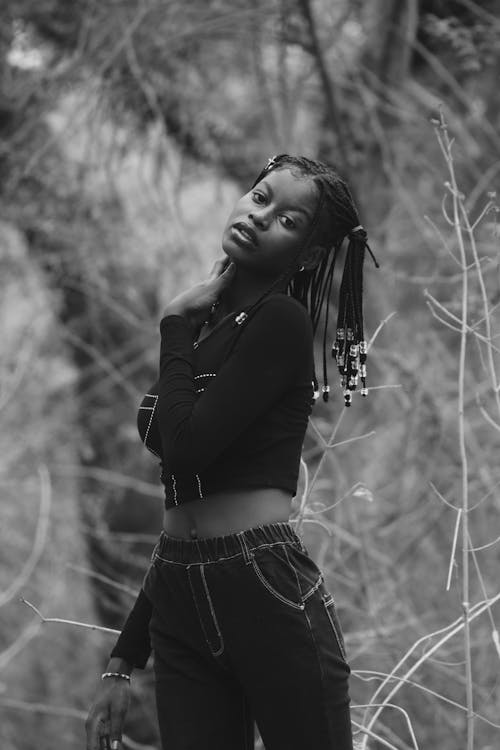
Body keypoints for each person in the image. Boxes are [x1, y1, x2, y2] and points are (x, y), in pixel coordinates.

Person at [85, 154, 378, 750]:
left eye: (288, 220)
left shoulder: (280, 322)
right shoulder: (207, 326)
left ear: (310, 254)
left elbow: (187, 453)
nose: (260, 215)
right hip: (180, 600)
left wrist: (172, 327)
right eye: (260, 197)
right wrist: (123, 661)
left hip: (265, 592)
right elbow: (184, 525)